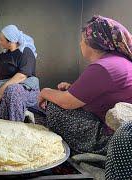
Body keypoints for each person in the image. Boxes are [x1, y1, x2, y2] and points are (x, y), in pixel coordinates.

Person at [38, 15, 132, 155]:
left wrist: (44, 91)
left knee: (54, 107)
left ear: (94, 44)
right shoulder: (118, 61)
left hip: (113, 139)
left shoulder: (103, 67)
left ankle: (83, 149)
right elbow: (104, 94)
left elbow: (67, 103)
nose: (80, 44)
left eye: (83, 40)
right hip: (123, 131)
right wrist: (72, 89)